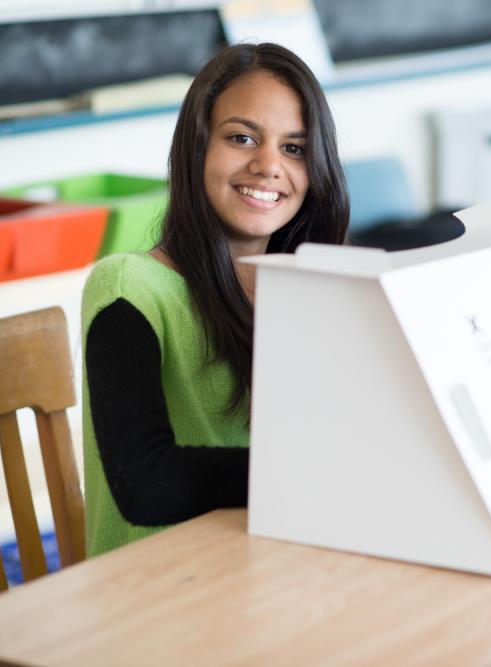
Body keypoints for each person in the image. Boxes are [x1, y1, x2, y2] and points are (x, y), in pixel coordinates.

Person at [80, 43, 349, 556]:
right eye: (242, 137)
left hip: (273, 564)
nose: (269, 165)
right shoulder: (128, 287)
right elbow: (146, 484)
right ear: (196, 147)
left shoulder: (316, 286)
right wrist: (311, 471)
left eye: (295, 148)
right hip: (156, 591)